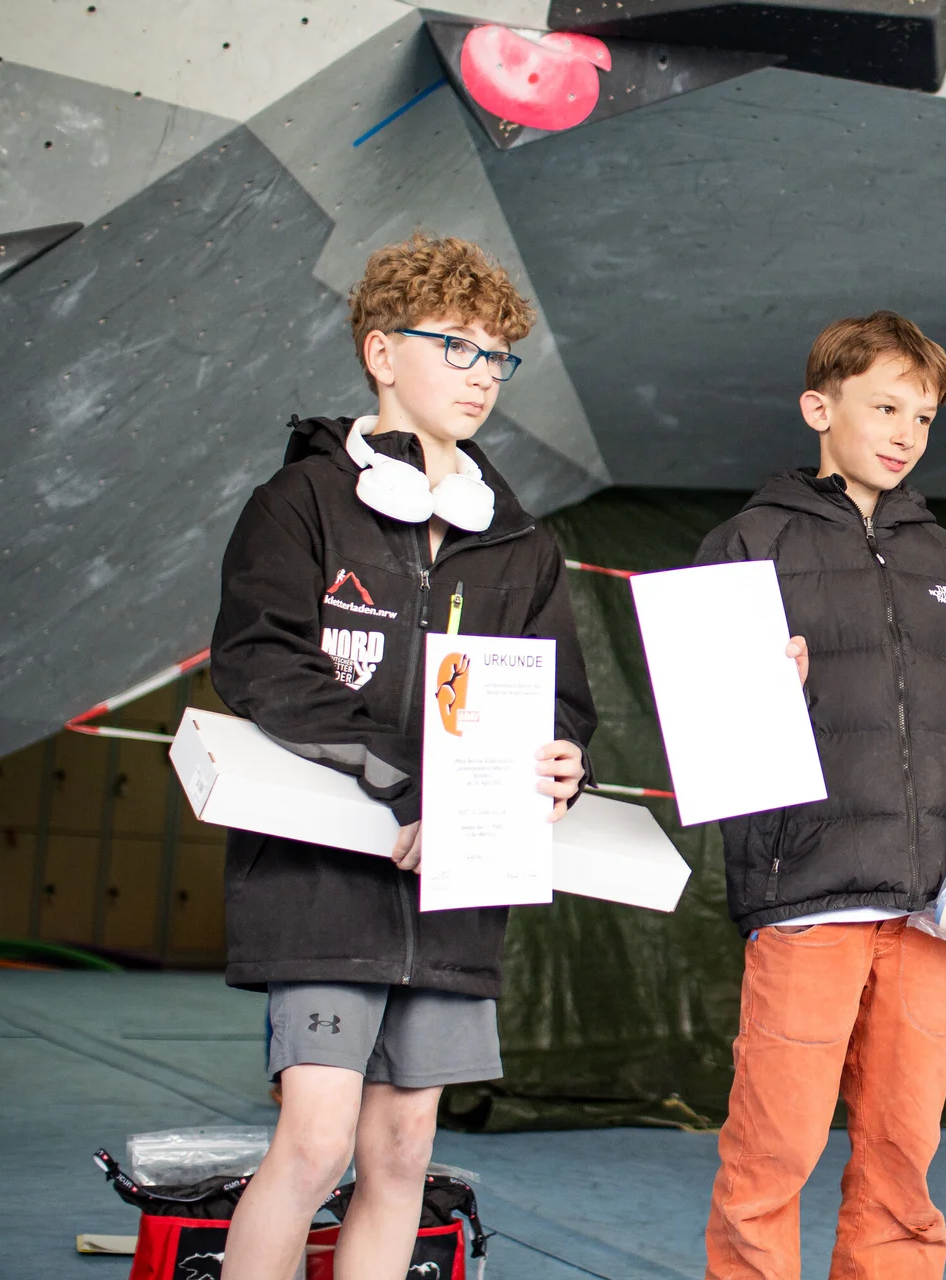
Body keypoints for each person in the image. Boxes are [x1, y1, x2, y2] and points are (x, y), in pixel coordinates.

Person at [210, 234, 598, 1280]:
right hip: (323, 879)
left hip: (459, 883)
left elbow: (562, 697)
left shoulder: (520, 541)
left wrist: (567, 758)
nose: (482, 374)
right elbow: (259, 669)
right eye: (457, 348)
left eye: (497, 356)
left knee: (402, 1150)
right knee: (317, 1138)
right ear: (382, 352)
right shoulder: (298, 507)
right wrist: (405, 777)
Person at [696, 311, 946, 1280]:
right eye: (885, 405)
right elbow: (706, 725)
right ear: (819, 407)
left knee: (905, 1158)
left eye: (925, 414)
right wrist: (750, 691)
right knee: (772, 1155)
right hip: (806, 893)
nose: (907, 430)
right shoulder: (749, 538)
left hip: (932, 909)